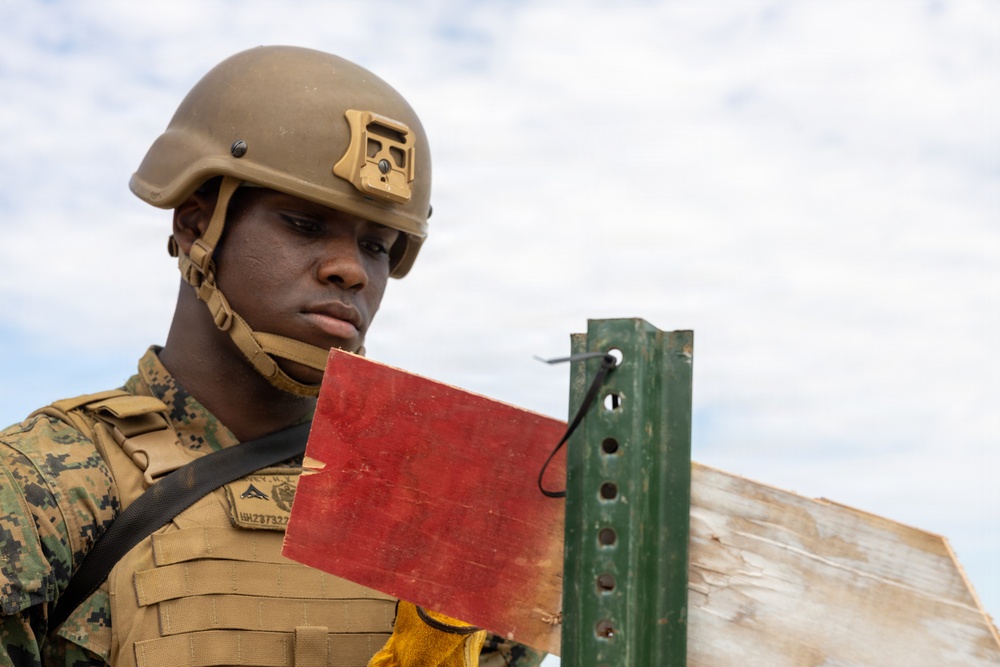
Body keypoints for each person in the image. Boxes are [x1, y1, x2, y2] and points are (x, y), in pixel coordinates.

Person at [0, 45, 545, 667]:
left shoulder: (443, 506)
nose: (351, 271)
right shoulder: (43, 484)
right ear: (195, 225)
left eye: (376, 245)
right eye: (304, 225)